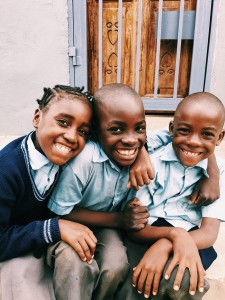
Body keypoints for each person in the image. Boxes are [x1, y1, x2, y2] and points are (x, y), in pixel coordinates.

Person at [47, 85, 220, 300]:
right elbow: (61, 212)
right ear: (95, 131)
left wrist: (213, 174)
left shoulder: (145, 148)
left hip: (124, 228)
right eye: (116, 129)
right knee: (93, 264)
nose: (130, 139)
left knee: (119, 265)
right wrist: (121, 219)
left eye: (139, 129)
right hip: (87, 222)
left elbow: (193, 138)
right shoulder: (86, 161)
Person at [117, 92, 225, 300]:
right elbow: (135, 227)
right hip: (150, 231)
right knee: (139, 279)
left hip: (193, 237)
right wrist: (172, 235)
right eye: (185, 131)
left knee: (185, 280)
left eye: (207, 135)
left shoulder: (219, 172)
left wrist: (168, 242)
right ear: (171, 129)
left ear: (219, 138)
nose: (194, 142)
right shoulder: (153, 164)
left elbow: (209, 234)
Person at [0, 85, 98, 300]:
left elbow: (119, 135)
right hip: (12, 254)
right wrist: (54, 227)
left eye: (82, 131)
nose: (72, 136)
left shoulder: (69, 158)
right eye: (63, 122)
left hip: (42, 244)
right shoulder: (7, 169)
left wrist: (142, 156)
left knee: (79, 258)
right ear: (37, 117)